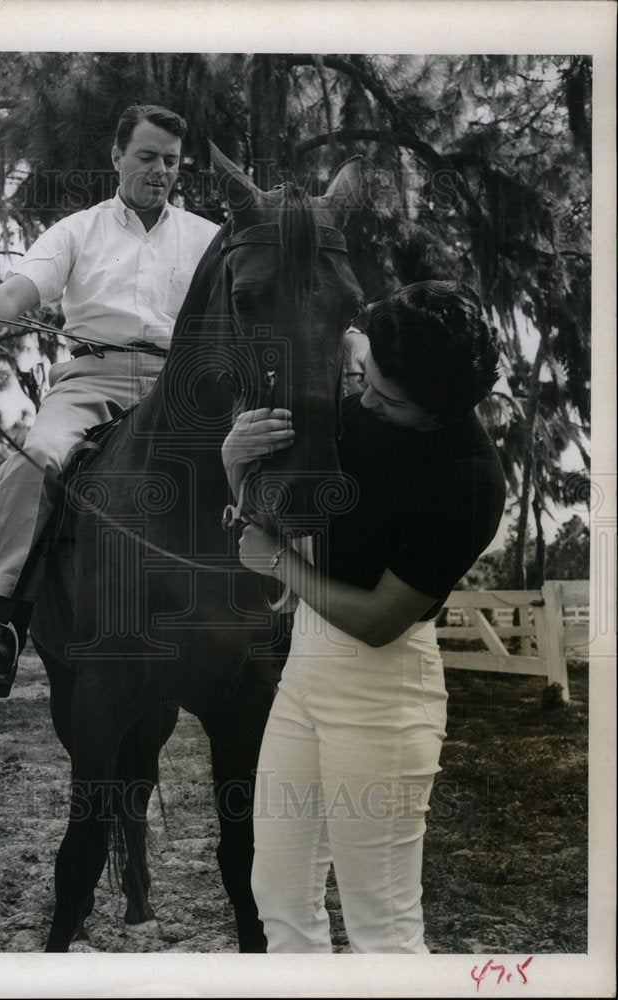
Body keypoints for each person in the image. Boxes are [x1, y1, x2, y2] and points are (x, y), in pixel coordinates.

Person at [221, 280, 506, 953]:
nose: (368, 400)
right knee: (280, 897)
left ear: (441, 408)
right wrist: (232, 460)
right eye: (368, 379)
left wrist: (280, 565)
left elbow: (381, 618)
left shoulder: (469, 478)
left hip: (384, 692)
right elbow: (270, 515)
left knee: (380, 919)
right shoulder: (358, 408)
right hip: (305, 673)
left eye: (390, 398)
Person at [0, 105, 219, 696]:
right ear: (116, 157)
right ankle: (2, 618)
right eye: (146, 157)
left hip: (184, 385)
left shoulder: (208, 239)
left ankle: (285, 610)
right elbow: (19, 292)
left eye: (170, 161)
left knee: (263, 450)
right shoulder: (76, 230)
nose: (159, 171)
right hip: (94, 380)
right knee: (33, 459)